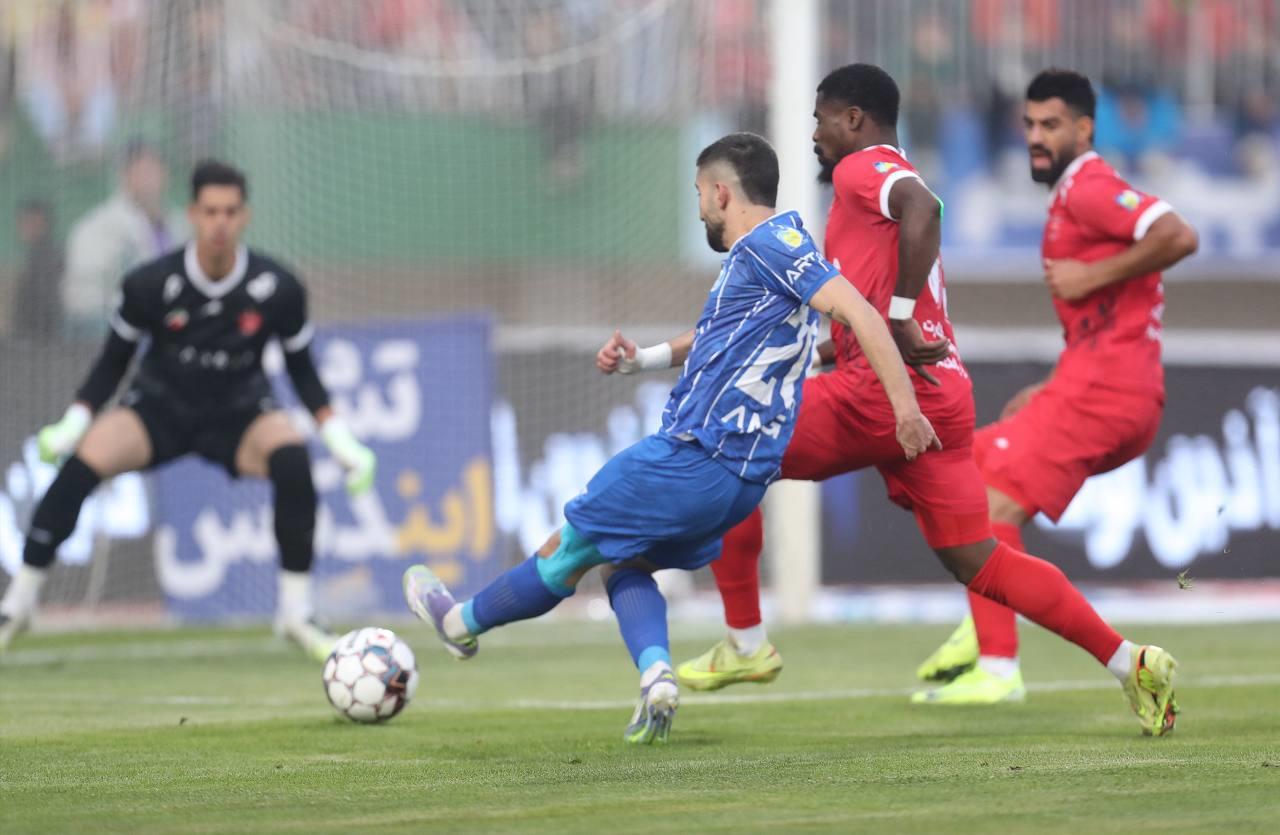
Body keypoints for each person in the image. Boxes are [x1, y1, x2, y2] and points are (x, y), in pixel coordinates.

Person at [673, 64, 1181, 736]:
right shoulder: (877, 183)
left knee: (724, 449)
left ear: (853, 119)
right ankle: (1128, 660)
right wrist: (839, 344)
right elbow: (874, 310)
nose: (814, 134)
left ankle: (744, 642)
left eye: (820, 119)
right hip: (938, 392)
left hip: (878, 396)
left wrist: (902, 314)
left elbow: (924, 207)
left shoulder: (863, 169)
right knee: (980, 558)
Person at [404, 132, 938, 744]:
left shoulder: (771, 247)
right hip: (740, 483)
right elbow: (716, 335)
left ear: (721, 193)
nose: (700, 207)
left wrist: (905, 410)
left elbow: (862, 314)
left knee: (566, 550)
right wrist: (644, 359)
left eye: (699, 194)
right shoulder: (774, 250)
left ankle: (460, 624)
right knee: (624, 563)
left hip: (692, 457)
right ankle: (657, 674)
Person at [0, 160, 377, 660]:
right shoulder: (150, 283)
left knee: (292, 458)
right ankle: (19, 602)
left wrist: (341, 440)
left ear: (245, 216)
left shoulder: (278, 287)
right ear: (194, 214)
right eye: (211, 211)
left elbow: (302, 372)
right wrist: (74, 422)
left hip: (240, 413)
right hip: (160, 408)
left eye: (230, 211)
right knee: (83, 463)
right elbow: (112, 362)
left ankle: (295, 611)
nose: (220, 222)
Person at [914, 69, 1198, 705]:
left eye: (1050, 125)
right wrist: (1053, 384)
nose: (1036, 137)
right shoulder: (1072, 194)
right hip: (1092, 384)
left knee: (984, 503)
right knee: (966, 468)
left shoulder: (1090, 186)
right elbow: (1108, 320)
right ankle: (986, 619)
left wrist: (1093, 275)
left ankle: (997, 663)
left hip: (1108, 393)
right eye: (1029, 125)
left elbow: (1179, 235)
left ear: (1084, 129)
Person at [62, 141, 186, 338]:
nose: (150, 179)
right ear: (124, 175)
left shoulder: (178, 224)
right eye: (142, 171)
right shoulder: (97, 227)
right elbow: (84, 299)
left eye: (155, 169)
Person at [12, 198, 65, 339]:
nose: (26, 227)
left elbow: (43, 300)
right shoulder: (34, 254)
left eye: (32, 222)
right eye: (24, 222)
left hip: (41, 333)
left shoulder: (48, 254)